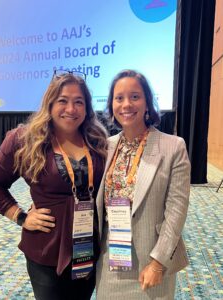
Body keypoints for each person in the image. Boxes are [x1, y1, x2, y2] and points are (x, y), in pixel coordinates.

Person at [0, 71, 108, 300]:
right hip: (46, 248)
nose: (71, 109)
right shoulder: (25, 139)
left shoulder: (97, 141)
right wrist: (20, 216)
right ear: (49, 104)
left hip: (88, 246)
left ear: (87, 108)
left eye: (79, 102)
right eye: (63, 101)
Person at [96, 70, 190, 300]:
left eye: (135, 96)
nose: (126, 104)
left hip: (152, 259)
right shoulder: (104, 147)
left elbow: (176, 211)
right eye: (119, 98)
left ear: (147, 102)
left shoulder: (173, 147)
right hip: (111, 258)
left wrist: (158, 263)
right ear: (111, 105)